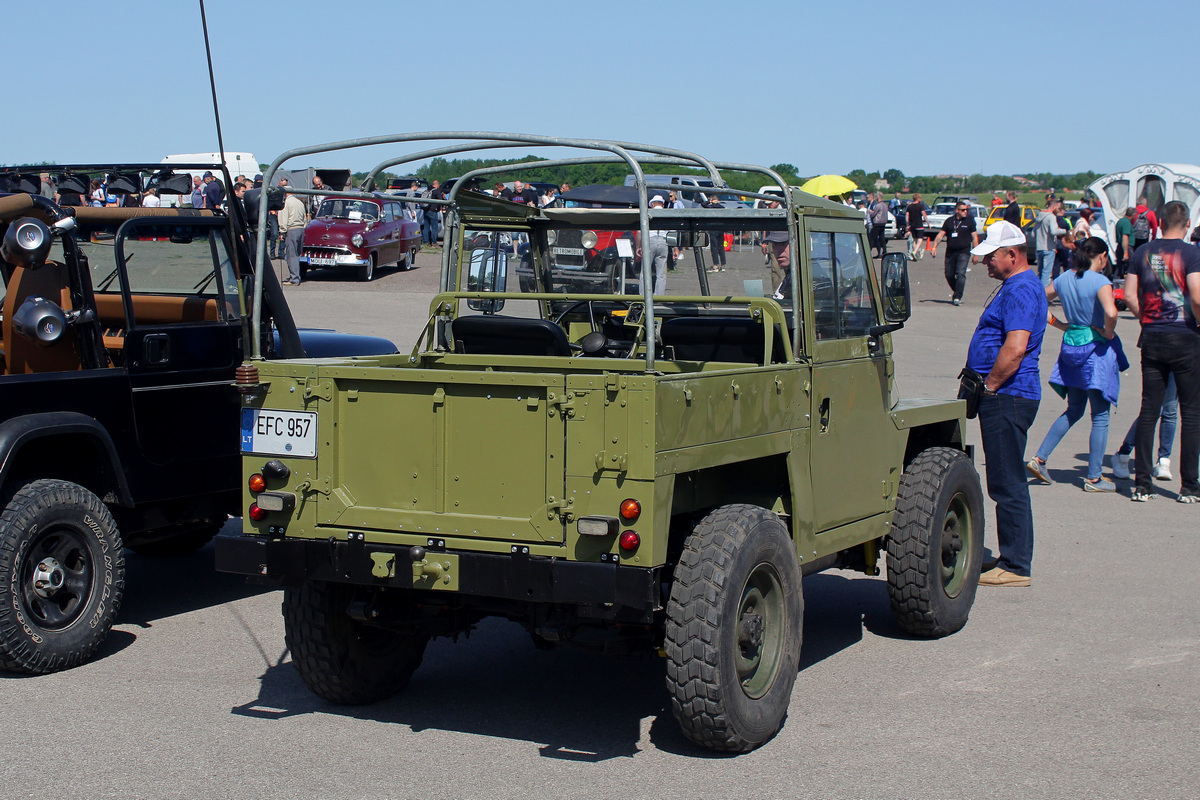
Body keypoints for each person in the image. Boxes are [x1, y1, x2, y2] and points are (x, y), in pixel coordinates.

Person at [965, 221, 1048, 587]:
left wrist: (990, 386)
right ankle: (1011, 558)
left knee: (1006, 480)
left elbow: (1015, 348)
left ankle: (1015, 565)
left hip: (1007, 395)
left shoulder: (1021, 289)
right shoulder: (1018, 285)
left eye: (991, 257)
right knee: (1005, 477)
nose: (986, 264)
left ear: (1012, 255)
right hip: (1007, 394)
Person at [1026, 237, 1121, 491]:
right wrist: (1109, 332)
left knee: (1074, 409)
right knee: (1100, 416)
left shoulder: (1065, 278)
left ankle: (1039, 457)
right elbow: (1111, 312)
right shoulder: (1100, 281)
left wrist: (1058, 323)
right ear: (1101, 256)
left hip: (1071, 346)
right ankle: (1094, 477)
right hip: (1095, 349)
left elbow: (1037, 296)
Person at [1122, 200, 1200, 502]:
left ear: (1160, 222)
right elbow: (1196, 295)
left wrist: (1147, 318)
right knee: (1190, 412)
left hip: (1152, 336)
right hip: (1185, 336)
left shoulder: (1144, 252)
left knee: (1149, 409)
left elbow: (1129, 294)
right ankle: (1189, 485)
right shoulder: (1192, 254)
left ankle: (1141, 483)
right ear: (1187, 222)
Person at [1112, 373, 1177, 481]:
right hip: (1158, 362)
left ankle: (1163, 460)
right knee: (1152, 411)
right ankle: (1123, 455)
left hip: (1182, 361)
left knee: (1170, 410)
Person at [930, 201, 979, 306]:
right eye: (963, 210)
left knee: (960, 273)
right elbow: (940, 235)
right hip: (951, 252)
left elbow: (975, 237)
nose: (965, 212)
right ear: (957, 210)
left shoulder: (969, 221)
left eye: (966, 210)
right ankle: (957, 290)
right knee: (949, 274)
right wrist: (934, 247)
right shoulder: (949, 221)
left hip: (964, 251)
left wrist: (976, 254)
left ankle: (957, 296)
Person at [637, 196, 669, 295]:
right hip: (664, 241)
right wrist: (676, 249)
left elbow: (639, 231)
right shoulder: (668, 214)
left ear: (652, 204)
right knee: (661, 273)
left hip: (649, 240)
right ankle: (659, 296)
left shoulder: (647, 213)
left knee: (645, 271)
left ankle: (643, 295)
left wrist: (639, 246)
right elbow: (673, 232)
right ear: (662, 204)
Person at [1033, 196, 1067, 286]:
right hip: (1049, 247)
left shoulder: (1039, 216)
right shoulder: (1051, 217)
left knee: (1040, 272)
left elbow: (1033, 233)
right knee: (1046, 274)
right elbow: (1054, 231)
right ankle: (1043, 296)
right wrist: (1064, 231)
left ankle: (1037, 292)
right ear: (1053, 207)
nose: (1059, 210)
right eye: (1058, 208)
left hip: (1039, 247)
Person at [761, 198, 790, 295]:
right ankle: (777, 292)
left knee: (789, 269)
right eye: (767, 204)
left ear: (777, 202)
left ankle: (787, 290)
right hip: (772, 240)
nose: (768, 206)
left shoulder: (786, 210)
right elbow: (765, 228)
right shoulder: (767, 213)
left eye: (770, 204)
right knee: (775, 268)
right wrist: (764, 242)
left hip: (782, 239)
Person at [279, 188, 307, 285]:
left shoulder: (286, 203)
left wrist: (282, 231)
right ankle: (297, 275)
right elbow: (305, 217)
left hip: (291, 229)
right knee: (297, 254)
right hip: (301, 229)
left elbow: (283, 218)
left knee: (291, 255)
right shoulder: (299, 202)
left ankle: (294, 278)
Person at [702, 196, 727, 272]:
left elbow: (703, 204)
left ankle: (716, 265)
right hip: (721, 228)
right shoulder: (722, 207)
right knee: (721, 247)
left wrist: (709, 202)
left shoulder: (710, 207)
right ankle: (723, 265)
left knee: (714, 248)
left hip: (713, 228)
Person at [1115, 207, 1137, 279]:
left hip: (1120, 246)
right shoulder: (1126, 223)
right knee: (1131, 267)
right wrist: (1126, 253)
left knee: (1119, 268)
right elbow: (1125, 237)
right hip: (1126, 247)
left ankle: (1116, 284)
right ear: (1133, 215)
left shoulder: (1120, 221)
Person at [906, 193, 927, 260]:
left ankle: (915, 254)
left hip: (912, 226)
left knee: (914, 240)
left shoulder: (909, 207)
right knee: (920, 239)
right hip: (919, 225)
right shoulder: (920, 206)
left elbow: (907, 216)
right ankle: (915, 252)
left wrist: (908, 224)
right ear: (918, 199)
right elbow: (924, 215)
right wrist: (928, 223)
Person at [868, 192, 890, 259]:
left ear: (878, 197)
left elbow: (873, 214)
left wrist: (870, 213)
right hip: (883, 223)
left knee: (871, 237)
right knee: (882, 238)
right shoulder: (885, 205)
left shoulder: (878, 205)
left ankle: (868, 252)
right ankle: (884, 251)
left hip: (877, 223)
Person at [422, 180, 443, 245]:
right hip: (433, 210)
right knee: (434, 227)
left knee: (426, 227)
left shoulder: (427, 190)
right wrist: (439, 208)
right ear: (436, 185)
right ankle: (434, 242)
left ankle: (426, 242)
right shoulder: (436, 191)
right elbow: (440, 200)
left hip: (426, 210)